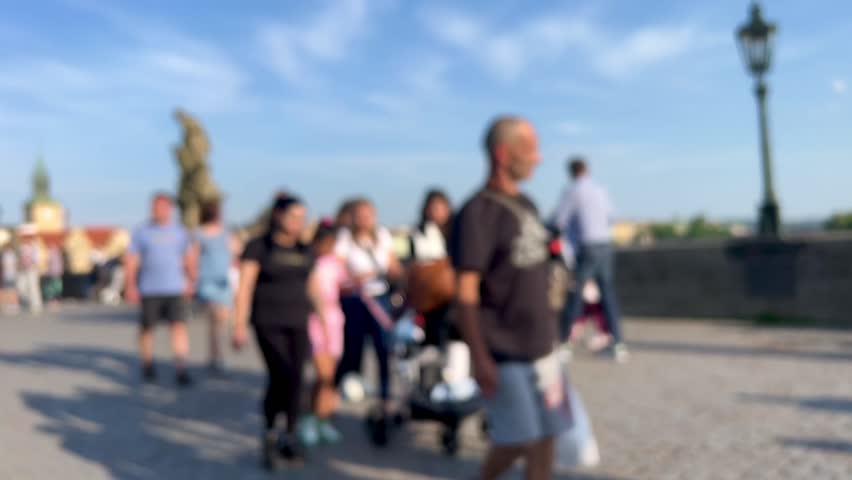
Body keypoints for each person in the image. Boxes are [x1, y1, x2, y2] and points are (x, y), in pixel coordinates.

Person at [451, 116, 570, 480]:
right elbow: (465, 291)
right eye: (530, 150)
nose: (539, 159)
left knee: (548, 435)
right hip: (504, 350)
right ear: (503, 154)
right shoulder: (478, 212)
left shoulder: (528, 204)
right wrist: (479, 355)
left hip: (542, 346)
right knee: (520, 439)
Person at [232, 195, 323, 469]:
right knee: (280, 374)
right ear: (278, 216)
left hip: (298, 321)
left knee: (297, 378)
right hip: (267, 321)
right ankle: (271, 430)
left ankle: (291, 434)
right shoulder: (259, 247)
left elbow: (313, 287)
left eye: (302, 217)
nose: (298, 222)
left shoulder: (306, 249)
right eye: (293, 216)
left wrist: (325, 319)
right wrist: (238, 324)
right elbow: (245, 287)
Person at [552, 157, 628, 362]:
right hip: (605, 245)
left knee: (576, 294)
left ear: (571, 172)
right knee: (607, 295)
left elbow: (558, 220)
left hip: (587, 247)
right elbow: (612, 216)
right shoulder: (600, 189)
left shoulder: (573, 190)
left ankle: (565, 344)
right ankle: (618, 344)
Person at [334, 198, 402, 411]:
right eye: (360, 215)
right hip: (355, 300)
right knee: (353, 348)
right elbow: (338, 268)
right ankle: (339, 391)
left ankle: (385, 394)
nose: (364, 219)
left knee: (384, 347)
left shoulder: (382, 236)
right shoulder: (345, 238)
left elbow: (393, 265)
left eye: (368, 214)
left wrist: (393, 274)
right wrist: (359, 277)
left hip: (379, 299)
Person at [124, 192, 196, 386]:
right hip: (149, 289)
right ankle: (147, 363)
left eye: (162, 207)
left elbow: (189, 257)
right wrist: (130, 285)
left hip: (174, 288)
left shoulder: (179, 231)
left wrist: (191, 280)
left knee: (178, 327)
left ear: (170, 209)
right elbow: (132, 259)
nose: (158, 211)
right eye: (155, 207)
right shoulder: (142, 231)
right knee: (148, 328)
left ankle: (181, 368)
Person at [299, 220, 348, 447]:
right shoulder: (310, 263)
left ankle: (323, 418)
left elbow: (347, 284)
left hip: (334, 319)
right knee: (323, 375)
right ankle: (310, 417)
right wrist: (323, 320)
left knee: (330, 377)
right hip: (317, 321)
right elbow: (314, 294)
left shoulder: (334, 263)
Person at [194, 198, 240, 374]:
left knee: (220, 321)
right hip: (207, 281)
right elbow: (193, 256)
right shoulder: (199, 233)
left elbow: (235, 251)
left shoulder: (226, 233)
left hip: (223, 282)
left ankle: (215, 354)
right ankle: (217, 356)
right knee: (217, 317)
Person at [409, 189, 455, 347]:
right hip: (428, 294)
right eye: (433, 208)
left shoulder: (456, 232)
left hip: (451, 295)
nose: (437, 212)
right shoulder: (418, 233)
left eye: (441, 207)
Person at [17, 224, 43, 314]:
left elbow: (37, 258)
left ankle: (36, 305)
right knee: (21, 287)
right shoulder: (21, 246)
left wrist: (35, 265)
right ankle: (28, 301)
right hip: (22, 269)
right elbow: (20, 258)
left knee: (33, 287)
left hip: (32, 269)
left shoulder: (35, 246)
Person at [0, 244, 20, 315]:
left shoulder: (8, 255)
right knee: (10, 290)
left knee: (11, 290)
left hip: (9, 275)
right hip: (10, 275)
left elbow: (4, 265)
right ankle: (11, 304)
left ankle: (13, 304)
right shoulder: (10, 255)